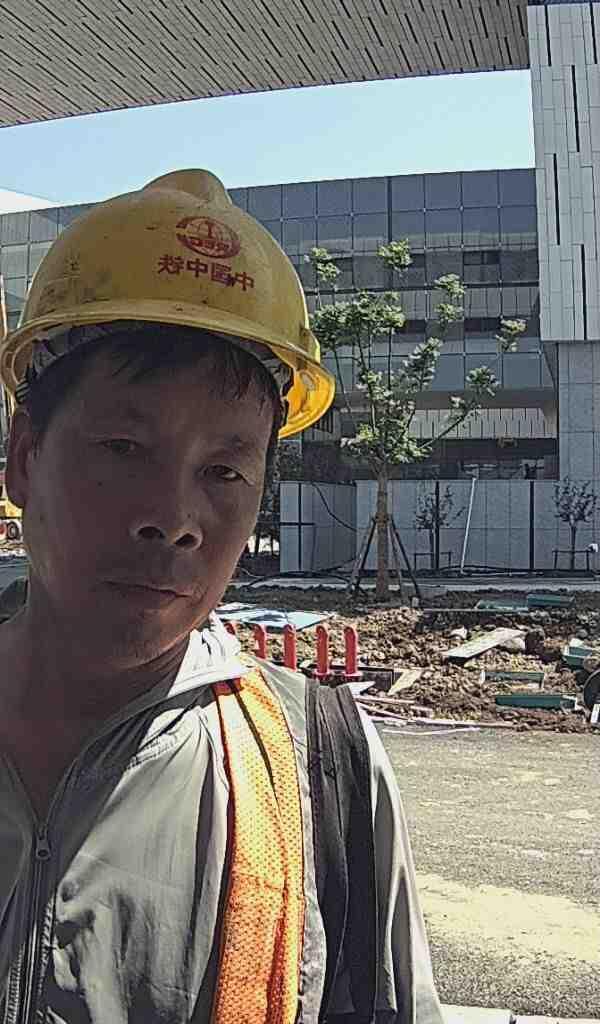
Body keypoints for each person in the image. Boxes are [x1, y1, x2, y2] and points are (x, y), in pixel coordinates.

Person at [0, 169, 444, 1023]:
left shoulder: (325, 769)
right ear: (25, 459)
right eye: (123, 447)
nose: (173, 520)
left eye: (224, 472)